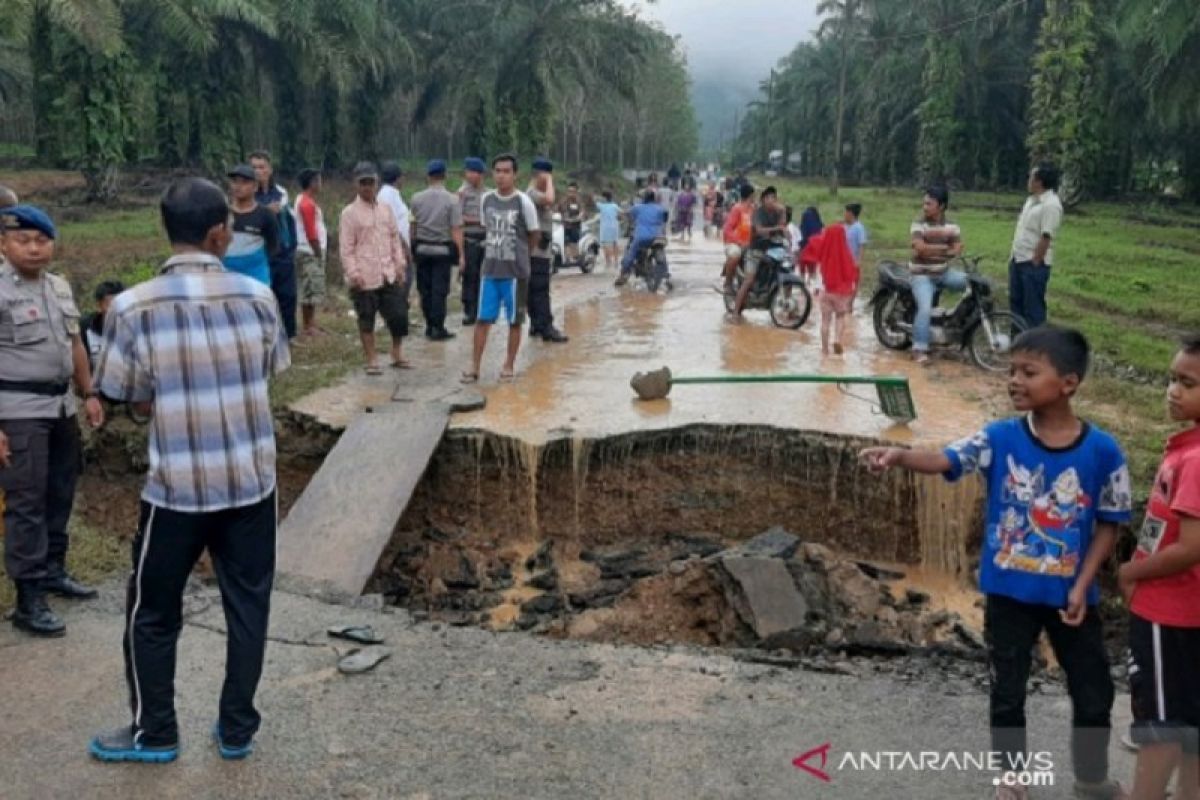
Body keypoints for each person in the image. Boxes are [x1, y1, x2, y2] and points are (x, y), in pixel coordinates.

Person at [859, 326, 1131, 800]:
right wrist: (900, 454)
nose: (1014, 380)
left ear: (1068, 382)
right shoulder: (1000, 437)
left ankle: (1091, 779)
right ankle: (1012, 779)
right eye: (1011, 371)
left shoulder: (1103, 451)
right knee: (1007, 690)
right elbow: (948, 459)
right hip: (1008, 595)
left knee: (1094, 693)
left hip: (1072, 598)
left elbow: (1109, 521)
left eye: (1029, 372)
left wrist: (1082, 584)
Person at [88, 177, 290, 764]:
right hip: (251, 484)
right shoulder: (258, 298)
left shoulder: (131, 306)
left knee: (153, 610)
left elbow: (128, 393)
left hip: (176, 490)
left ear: (167, 230)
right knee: (248, 604)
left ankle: (156, 732)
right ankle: (236, 728)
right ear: (219, 233)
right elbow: (270, 368)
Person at [0, 204, 104, 637]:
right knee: (26, 504)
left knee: (60, 492)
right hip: (18, 412)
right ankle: (28, 599)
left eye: (42, 240)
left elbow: (74, 344)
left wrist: (90, 392)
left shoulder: (58, 287)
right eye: (23, 240)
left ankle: (53, 572)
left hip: (61, 407)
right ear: (3, 243)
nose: (34, 248)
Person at [1119, 335, 1200, 800]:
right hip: (1186, 608)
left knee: (1160, 725)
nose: (1173, 391)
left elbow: (1191, 546)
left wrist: (1132, 573)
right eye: (1172, 379)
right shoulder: (1185, 449)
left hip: (1169, 611)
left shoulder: (1193, 460)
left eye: (1187, 383)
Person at [461, 154, 540, 385]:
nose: (501, 176)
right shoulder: (486, 200)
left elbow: (533, 234)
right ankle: (475, 367)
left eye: (506, 171)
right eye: (497, 171)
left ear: (515, 175)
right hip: (490, 271)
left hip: (515, 274)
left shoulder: (524, 202)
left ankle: (508, 364)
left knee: (514, 321)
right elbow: (487, 230)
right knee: (482, 319)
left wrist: (523, 256)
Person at [340, 162, 410, 374]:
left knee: (399, 315)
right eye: (363, 183)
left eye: (371, 182)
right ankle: (372, 359)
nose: (367, 187)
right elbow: (346, 247)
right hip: (364, 275)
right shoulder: (349, 213)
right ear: (356, 184)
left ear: (377, 183)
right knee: (366, 318)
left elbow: (394, 239)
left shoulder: (385, 210)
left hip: (388, 272)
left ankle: (396, 352)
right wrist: (353, 273)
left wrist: (400, 265)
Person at [909, 186, 965, 365]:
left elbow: (958, 249)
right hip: (921, 274)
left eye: (929, 203)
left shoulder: (952, 227)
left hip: (943, 272)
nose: (924, 207)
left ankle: (959, 328)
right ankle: (919, 348)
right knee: (924, 308)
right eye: (924, 203)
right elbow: (920, 249)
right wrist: (946, 250)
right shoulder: (918, 224)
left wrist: (936, 251)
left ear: (941, 206)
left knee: (972, 283)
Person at [409, 159, 463, 341]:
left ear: (428, 176)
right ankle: (437, 327)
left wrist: (412, 247)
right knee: (439, 291)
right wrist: (461, 254)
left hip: (422, 250)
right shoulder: (453, 200)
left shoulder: (416, 198)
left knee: (425, 289)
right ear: (445, 175)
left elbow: (412, 227)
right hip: (442, 251)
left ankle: (429, 325)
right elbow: (456, 230)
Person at [250, 150, 298, 339]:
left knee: (287, 296)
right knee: (263, 297)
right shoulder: (247, 196)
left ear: (269, 169)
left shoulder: (281, 193)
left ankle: (289, 335)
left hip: (283, 254)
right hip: (259, 254)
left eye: (261, 167)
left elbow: (290, 221)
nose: (257, 171)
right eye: (253, 167)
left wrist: (292, 247)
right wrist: (265, 212)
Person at [1009, 163, 1063, 328]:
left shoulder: (1051, 205)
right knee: (1015, 304)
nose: (1028, 181)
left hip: (1032, 263)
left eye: (1031, 177)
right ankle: (1018, 343)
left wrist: (1036, 260)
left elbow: (1046, 236)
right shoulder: (1031, 201)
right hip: (1017, 258)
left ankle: (1035, 346)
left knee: (1033, 308)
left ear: (1039, 181)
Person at [526, 158, 568, 343]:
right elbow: (550, 198)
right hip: (536, 252)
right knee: (541, 291)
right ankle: (546, 328)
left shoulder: (535, 194)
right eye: (548, 176)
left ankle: (536, 324)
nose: (551, 182)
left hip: (537, 251)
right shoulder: (533, 193)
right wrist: (548, 180)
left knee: (533, 290)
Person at [731, 185, 788, 320]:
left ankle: (786, 310)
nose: (771, 200)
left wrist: (784, 212)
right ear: (763, 200)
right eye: (768, 197)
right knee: (749, 280)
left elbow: (783, 225)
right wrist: (777, 228)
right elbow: (760, 230)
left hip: (773, 250)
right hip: (756, 250)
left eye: (773, 197)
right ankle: (735, 313)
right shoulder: (758, 213)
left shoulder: (778, 212)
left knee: (786, 271)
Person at [223, 164, 279, 286]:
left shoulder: (266, 215)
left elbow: (273, 248)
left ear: (255, 187)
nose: (238, 186)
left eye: (244, 182)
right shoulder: (222, 214)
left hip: (256, 278)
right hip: (226, 278)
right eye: (235, 182)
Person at [809, 224, 858, 356]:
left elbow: (819, 272)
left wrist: (816, 288)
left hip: (825, 291)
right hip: (840, 293)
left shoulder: (824, 253)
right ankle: (837, 340)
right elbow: (851, 273)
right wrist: (852, 292)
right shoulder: (846, 254)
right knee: (840, 316)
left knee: (825, 320)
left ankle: (824, 350)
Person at [292, 168, 327, 337]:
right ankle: (308, 325)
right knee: (310, 288)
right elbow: (310, 230)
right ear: (312, 183)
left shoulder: (303, 200)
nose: (321, 184)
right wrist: (317, 250)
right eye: (319, 180)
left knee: (309, 287)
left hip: (306, 249)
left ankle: (310, 323)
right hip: (309, 250)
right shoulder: (307, 204)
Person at [378, 161, 416, 312]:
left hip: (400, 246)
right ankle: (397, 312)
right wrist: (404, 247)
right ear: (398, 178)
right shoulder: (387, 196)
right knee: (402, 280)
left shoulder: (391, 194)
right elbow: (391, 225)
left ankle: (400, 311)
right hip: (397, 248)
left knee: (405, 280)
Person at [615, 190, 669, 288]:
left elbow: (625, 214)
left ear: (644, 198)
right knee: (663, 255)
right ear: (654, 198)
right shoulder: (660, 209)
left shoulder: (638, 208)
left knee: (630, 255)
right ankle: (667, 277)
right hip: (658, 237)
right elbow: (665, 217)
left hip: (642, 238)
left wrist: (619, 216)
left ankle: (623, 275)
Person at [458, 157, 488, 325]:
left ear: (480, 175)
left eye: (472, 172)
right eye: (467, 172)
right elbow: (458, 218)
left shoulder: (488, 193)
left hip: (486, 239)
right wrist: (478, 220)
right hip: (469, 239)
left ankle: (483, 309)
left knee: (485, 276)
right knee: (470, 276)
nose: (469, 176)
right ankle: (470, 311)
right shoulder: (462, 193)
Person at [720, 184, 755, 295]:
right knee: (735, 254)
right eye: (753, 196)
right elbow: (727, 229)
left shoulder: (753, 210)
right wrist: (739, 242)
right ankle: (728, 283)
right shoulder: (737, 209)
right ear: (750, 196)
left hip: (750, 244)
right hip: (734, 243)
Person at [81, 280, 125, 368]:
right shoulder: (86, 328)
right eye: (110, 306)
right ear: (99, 306)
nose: (116, 311)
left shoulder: (135, 327)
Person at [797, 206, 824, 285]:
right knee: (812, 271)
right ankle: (812, 287)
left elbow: (801, 237)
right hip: (813, 249)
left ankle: (802, 286)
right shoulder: (819, 224)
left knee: (802, 271)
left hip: (804, 248)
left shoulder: (803, 222)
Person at [559, 182, 585, 264]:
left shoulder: (579, 201)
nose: (570, 193)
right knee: (565, 241)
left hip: (575, 225)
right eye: (569, 191)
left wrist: (579, 216)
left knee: (574, 241)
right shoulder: (564, 200)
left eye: (573, 191)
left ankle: (576, 257)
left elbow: (582, 211)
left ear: (576, 192)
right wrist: (564, 217)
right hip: (565, 225)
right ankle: (567, 258)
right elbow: (560, 210)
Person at [596, 190, 622, 271]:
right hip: (615, 227)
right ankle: (616, 262)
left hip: (605, 228)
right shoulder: (615, 206)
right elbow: (621, 214)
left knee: (605, 245)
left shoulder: (601, 206)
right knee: (615, 243)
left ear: (604, 198)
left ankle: (608, 262)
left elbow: (593, 199)